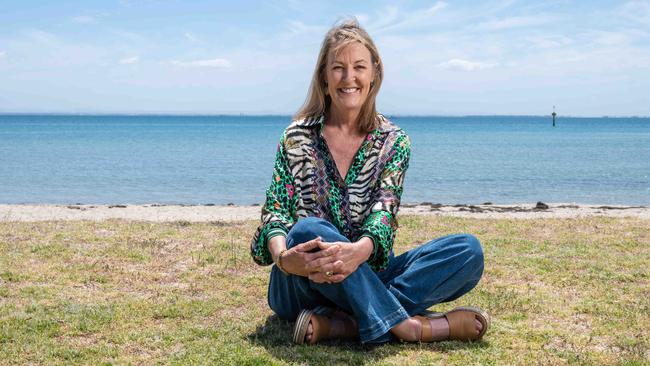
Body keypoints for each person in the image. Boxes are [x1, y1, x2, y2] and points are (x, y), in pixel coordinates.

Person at [251, 19, 488, 344]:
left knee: (467, 251)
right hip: (302, 280)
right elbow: (275, 213)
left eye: (359, 66)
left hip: (368, 269)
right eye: (338, 68)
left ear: (374, 72)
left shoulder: (394, 141)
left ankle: (345, 325)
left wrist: (359, 251)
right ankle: (411, 328)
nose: (349, 78)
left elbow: (383, 216)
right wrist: (283, 258)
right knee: (309, 231)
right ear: (323, 75)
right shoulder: (297, 137)